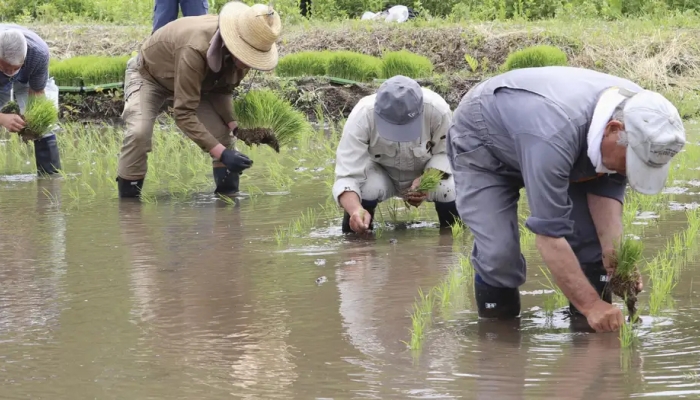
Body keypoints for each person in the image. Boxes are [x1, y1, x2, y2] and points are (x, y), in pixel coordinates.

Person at [446, 66, 686, 333]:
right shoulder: (553, 134)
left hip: (558, 142)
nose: (630, 172)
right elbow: (550, 236)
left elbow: (607, 189)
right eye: (632, 163)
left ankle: (590, 339)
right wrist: (592, 305)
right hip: (484, 139)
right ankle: (499, 339)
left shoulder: (642, 115)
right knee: (499, 254)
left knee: (591, 246)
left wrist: (616, 257)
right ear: (614, 130)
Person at [116, 1, 281, 199]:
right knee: (139, 132)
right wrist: (222, 154)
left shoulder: (245, 55)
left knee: (224, 136)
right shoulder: (194, 48)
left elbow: (221, 92)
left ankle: (227, 206)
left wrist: (237, 128)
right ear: (235, 41)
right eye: (247, 55)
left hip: (198, 83)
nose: (248, 62)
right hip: (151, 77)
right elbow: (184, 114)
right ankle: (129, 209)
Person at [333, 75, 460, 234]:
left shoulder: (437, 110)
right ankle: (358, 243)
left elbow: (449, 153)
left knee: (449, 187)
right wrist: (355, 211)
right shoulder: (362, 115)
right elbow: (346, 176)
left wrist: (427, 179)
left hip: (425, 172)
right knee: (364, 187)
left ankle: (452, 243)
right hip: (382, 175)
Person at [0, 25, 62, 175]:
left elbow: (37, 92)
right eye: (6, 68)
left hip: (27, 77)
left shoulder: (38, 54)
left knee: (44, 125)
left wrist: (33, 121)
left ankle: (49, 178)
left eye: (15, 68)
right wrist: (2, 118)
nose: (11, 73)